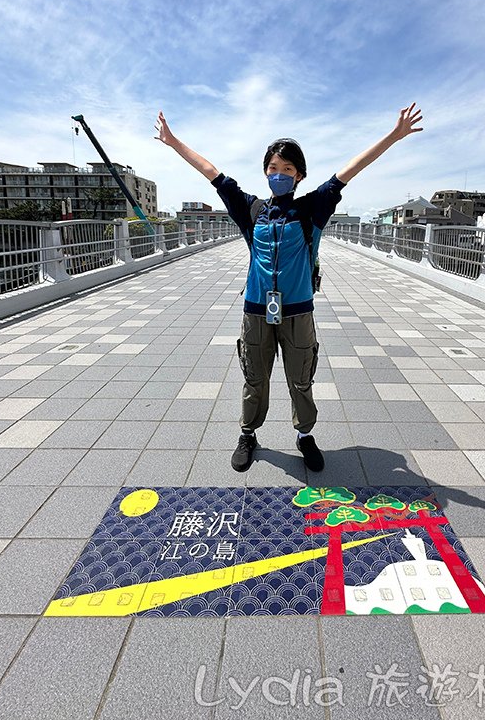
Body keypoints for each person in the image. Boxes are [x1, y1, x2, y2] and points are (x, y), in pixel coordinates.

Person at [154, 103, 423, 472]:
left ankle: (304, 436)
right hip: (255, 310)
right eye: (273, 168)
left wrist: (394, 135)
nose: (279, 174)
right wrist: (172, 142)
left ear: (299, 175)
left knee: (301, 378)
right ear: (266, 172)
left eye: (287, 169)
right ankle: (248, 433)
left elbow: (350, 171)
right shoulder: (251, 210)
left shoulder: (312, 208)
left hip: (298, 311)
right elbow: (211, 173)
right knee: (254, 375)